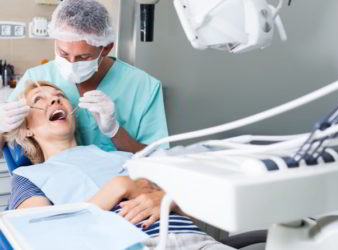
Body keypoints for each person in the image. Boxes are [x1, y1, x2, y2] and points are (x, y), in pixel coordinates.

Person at [4, 80, 236, 250]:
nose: (54, 99)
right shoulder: (28, 176)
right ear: (26, 129)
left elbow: (204, 207)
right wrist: (117, 188)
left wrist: (168, 198)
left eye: (59, 95)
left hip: (198, 241)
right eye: (38, 100)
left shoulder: (123, 156)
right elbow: (40, 239)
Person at [0, 0, 168, 153]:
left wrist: (115, 131)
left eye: (83, 57)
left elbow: (157, 159)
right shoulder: (36, 78)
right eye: (63, 53)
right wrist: (1, 128)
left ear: (106, 48)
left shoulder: (144, 87)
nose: (71, 63)